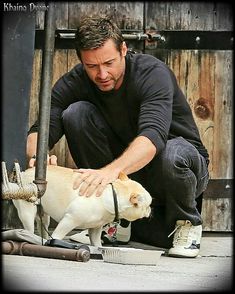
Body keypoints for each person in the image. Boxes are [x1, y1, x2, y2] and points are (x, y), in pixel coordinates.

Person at [27, 16, 209, 257]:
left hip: (180, 166)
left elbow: (152, 137)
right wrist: (38, 158)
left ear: (123, 50)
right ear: (81, 60)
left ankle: (187, 224)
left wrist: (109, 173)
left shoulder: (152, 73)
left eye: (109, 63)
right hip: (126, 176)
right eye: (91, 66)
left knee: (173, 153)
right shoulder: (76, 80)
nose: (101, 73)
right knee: (75, 114)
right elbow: (43, 126)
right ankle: (114, 221)